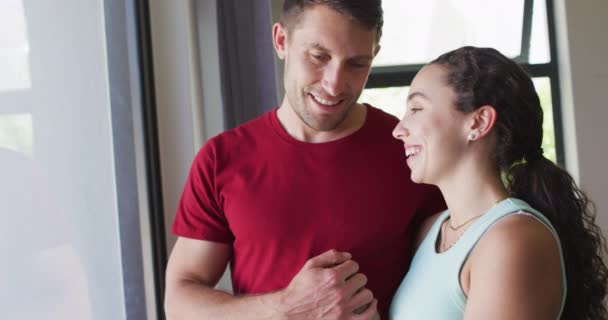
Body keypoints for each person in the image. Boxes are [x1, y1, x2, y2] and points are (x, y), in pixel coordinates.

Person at [164, 1, 445, 319]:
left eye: (356, 64)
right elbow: (179, 302)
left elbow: (452, 280)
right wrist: (288, 308)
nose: (334, 83)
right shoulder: (221, 159)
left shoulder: (408, 150)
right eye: (318, 57)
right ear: (281, 41)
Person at [390, 46, 608, 319]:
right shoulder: (430, 231)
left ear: (478, 122)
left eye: (417, 108)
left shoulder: (512, 239)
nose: (399, 130)